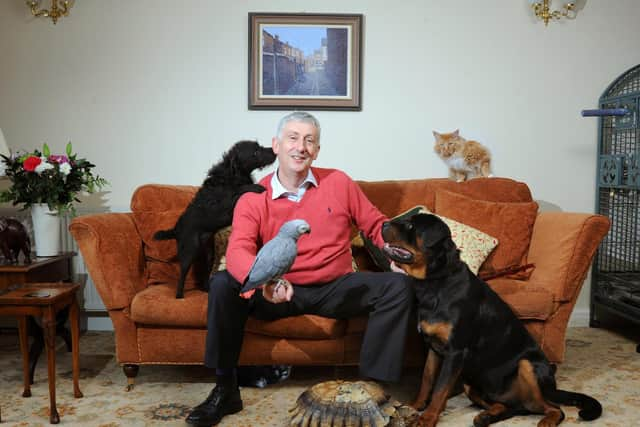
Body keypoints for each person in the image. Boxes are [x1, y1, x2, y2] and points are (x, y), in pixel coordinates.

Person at [186, 111, 414, 426]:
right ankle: (225, 388)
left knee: (398, 286)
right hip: (278, 289)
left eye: (309, 140)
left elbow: (376, 224)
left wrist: (396, 254)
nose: (301, 147)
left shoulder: (339, 182)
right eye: (293, 138)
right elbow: (239, 248)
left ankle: (372, 389)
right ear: (276, 145)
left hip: (333, 287)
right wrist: (263, 282)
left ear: (317, 150)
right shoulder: (254, 198)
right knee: (224, 283)